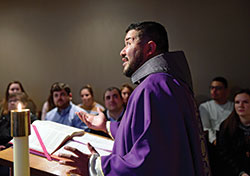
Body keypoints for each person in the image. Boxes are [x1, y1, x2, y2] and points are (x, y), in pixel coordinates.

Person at [59, 21, 210, 175]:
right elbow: (144, 133)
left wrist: (94, 165)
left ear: (150, 48)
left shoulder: (153, 87)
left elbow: (151, 158)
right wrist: (106, 126)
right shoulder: (168, 82)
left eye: (129, 43)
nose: (122, 52)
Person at [217, 89, 250, 176]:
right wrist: (241, 173)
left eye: (245, 102)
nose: (240, 106)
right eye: (237, 102)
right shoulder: (226, 126)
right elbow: (224, 155)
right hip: (236, 171)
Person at [199, 76, 234, 145]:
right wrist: (214, 140)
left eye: (218, 88)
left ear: (226, 90)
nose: (214, 91)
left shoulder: (233, 106)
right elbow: (206, 127)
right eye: (212, 88)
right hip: (213, 142)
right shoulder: (205, 107)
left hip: (231, 141)